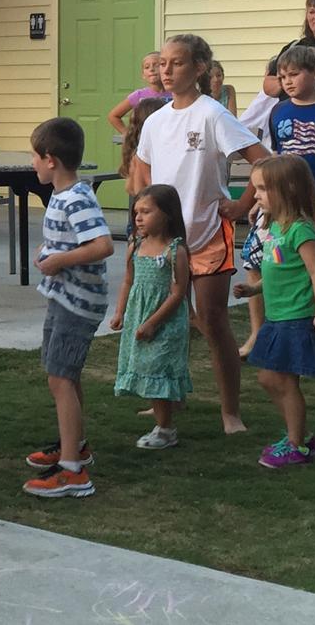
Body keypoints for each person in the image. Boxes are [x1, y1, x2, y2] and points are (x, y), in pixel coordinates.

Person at [132, 34, 271, 435]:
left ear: (199, 69)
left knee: (212, 321)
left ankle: (230, 411)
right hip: (166, 240)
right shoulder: (156, 120)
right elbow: (142, 170)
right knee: (168, 319)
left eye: (177, 63)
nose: (167, 70)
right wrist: (145, 214)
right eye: (163, 64)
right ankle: (168, 397)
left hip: (209, 234)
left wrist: (244, 205)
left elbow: (262, 160)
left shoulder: (213, 114)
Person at [238, 45, 315, 354]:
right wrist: (259, 198)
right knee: (255, 259)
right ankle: (259, 333)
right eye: (282, 77)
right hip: (280, 208)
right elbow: (276, 159)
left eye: (294, 74)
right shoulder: (279, 110)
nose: (288, 81)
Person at [22, 117, 114, 498]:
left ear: (51, 159)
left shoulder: (76, 197)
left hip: (77, 303)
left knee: (60, 378)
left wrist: (60, 261)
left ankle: (73, 472)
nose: (32, 165)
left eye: (34, 157)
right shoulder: (63, 196)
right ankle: (74, 444)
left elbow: (102, 245)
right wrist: (49, 253)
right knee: (65, 375)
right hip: (63, 298)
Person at [237, 155, 315, 469]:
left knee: (284, 381)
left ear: (288, 189)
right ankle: (302, 436)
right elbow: (278, 268)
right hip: (276, 317)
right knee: (268, 378)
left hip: (296, 317)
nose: (256, 196)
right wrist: (253, 289)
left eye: (263, 189)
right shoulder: (275, 228)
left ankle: (297, 445)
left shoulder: (300, 230)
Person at [111, 184, 192, 450]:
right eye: (136, 212)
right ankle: (163, 420)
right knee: (147, 367)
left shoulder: (174, 251)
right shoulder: (135, 245)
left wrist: (153, 322)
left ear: (167, 214)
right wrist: (120, 311)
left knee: (159, 368)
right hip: (139, 316)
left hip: (163, 321)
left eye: (146, 211)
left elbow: (178, 293)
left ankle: (166, 429)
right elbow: (127, 281)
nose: (139, 217)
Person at [118, 98, 170, 239]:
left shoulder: (135, 150)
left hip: (138, 218)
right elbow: (145, 188)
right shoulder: (146, 155)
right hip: (152, 219)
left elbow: (129, 188)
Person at [107, 51, 166, 136]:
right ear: (143, 75)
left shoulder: (176, 93)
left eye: (156, 65)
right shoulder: (139, 96)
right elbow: (113, 116)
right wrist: (128, 135)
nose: (151, 69)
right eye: (147, 67)